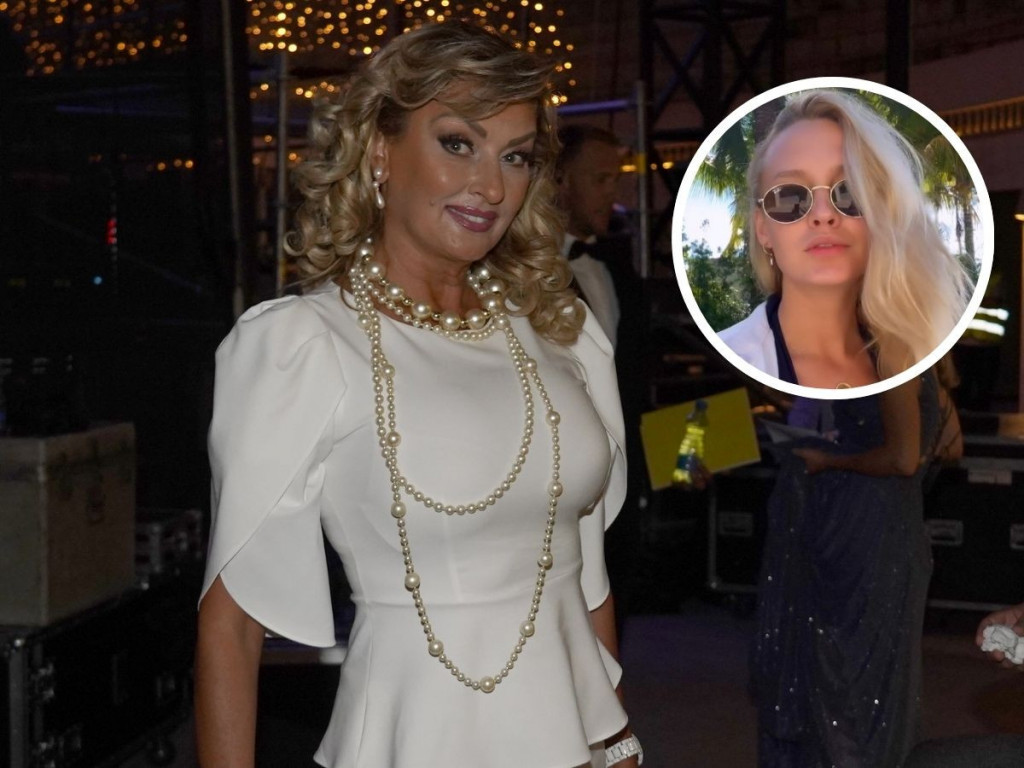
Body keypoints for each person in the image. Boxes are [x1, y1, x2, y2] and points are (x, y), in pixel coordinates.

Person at [194, 21, 641, 768]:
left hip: (577, 743)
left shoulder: (562, 332)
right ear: (379, 150)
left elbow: (585, 575)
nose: (491, 187)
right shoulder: (305, 346)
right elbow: (231, 626)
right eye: (458, 144)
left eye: (515, 156)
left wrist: (618, 742)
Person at [751, 357, 962, 768]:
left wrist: (832, 459)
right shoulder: (903, 355)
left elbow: (902, 459)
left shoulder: (891, 355)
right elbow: (949, 444)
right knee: (845, 673)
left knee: (853, 679)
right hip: (866, 523)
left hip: (867, 529)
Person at [718, 89, 973, 390]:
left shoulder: (920, 363)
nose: (823, 214)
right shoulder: (726, 367)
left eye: (849, 191)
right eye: (789, 197)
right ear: (763, 230)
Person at [556, 124, 648, 630]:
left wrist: (686, 451)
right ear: (560, 181)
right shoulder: (517, 277)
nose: (612, 194)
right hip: (556, 476)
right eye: (599, 179)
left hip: (624, 474)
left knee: (615, 604)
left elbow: (639, 381)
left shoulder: (619, 270)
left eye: (616, 180)